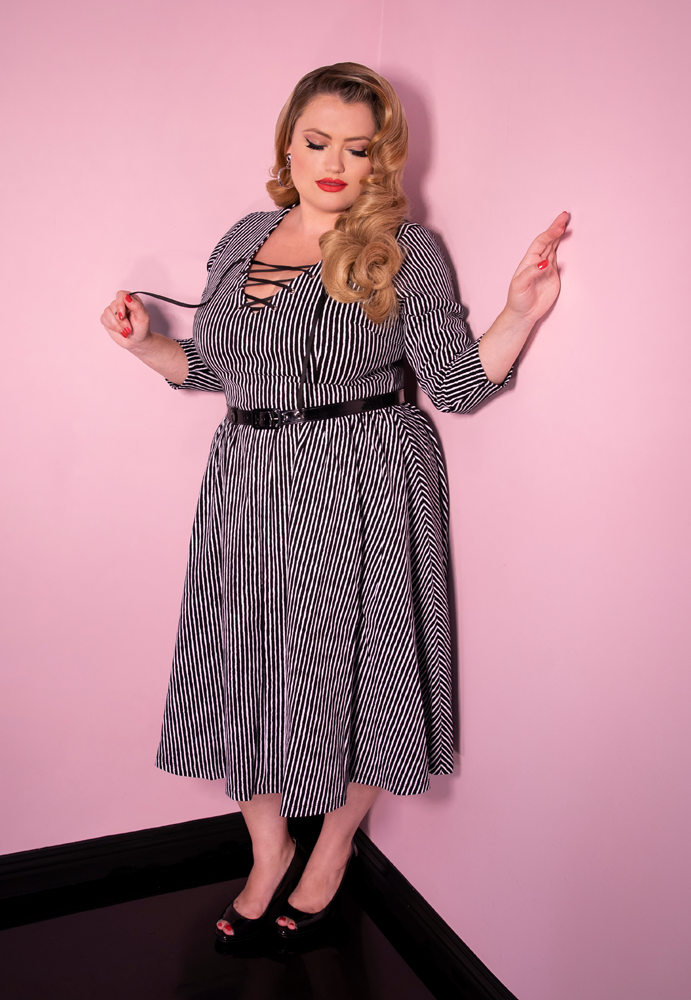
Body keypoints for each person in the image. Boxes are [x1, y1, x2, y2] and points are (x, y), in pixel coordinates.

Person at [100, 62, 567, 942]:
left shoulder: (404, 248)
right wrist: (146, 346)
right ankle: (268, 844)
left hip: (360, 473)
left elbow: (457, 385)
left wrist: (519, 310)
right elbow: (215, 369)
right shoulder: (244, 235)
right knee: (241, 656)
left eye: (357, 149)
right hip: (246, 475)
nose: (333, 163)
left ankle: (337, 841)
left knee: (354, 665)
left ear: (379, 160)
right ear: (288, 139)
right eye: (318, 141)